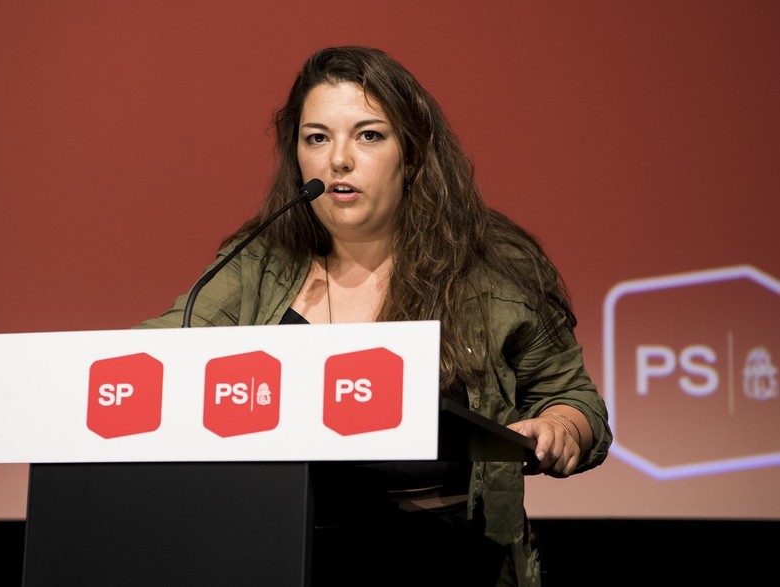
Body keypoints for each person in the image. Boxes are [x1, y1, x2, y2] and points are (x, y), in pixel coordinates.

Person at [136, 46, 612, 586]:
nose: (338, 159)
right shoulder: (259, 262)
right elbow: (151, 354)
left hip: (451, 564)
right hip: (285, 556)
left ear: (410, 154)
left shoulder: (490, 266)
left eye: (368, 135)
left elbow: (575, 402)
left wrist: (558, 428)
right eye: (317, 137)